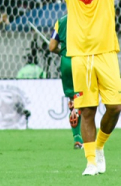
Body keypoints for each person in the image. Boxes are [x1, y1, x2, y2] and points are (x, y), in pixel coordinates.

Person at [41, 0, 121, 176]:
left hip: (106, 53)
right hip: (79, 58)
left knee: (115, 107)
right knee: (87, 111)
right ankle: (90, 162)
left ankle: (99, 147)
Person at [48, 15, 84, 149]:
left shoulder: (61, 22)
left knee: (73, 100)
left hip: (66, 62)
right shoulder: (85, 17)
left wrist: (62, 52)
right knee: (85, 99)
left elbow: (52, 47)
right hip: (81, 61)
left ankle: (77, 137)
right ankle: (87, 137)